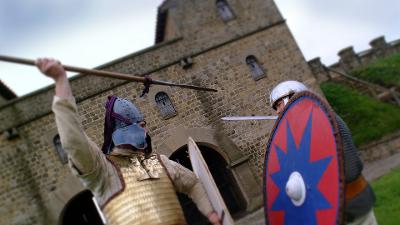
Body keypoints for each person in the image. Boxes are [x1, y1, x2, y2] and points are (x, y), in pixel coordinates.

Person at [35, 58, 221, 225]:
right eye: (140, 125)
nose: (145, 130)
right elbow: (73, 140)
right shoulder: (102, 172)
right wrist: (61, 80)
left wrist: (212, 214)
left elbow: (193, 183)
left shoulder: (161, 163)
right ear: (121, 130)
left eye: (144, 124)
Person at [269, 80, 377, 225]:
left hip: (352, 203)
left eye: (279, 104)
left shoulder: (325, 119)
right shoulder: (301, 131)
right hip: (330, 210)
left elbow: (350, 169)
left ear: (293, 97)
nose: (277, 111)